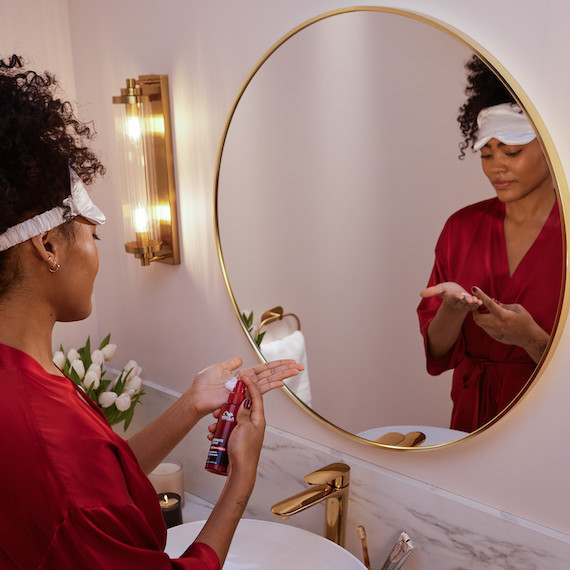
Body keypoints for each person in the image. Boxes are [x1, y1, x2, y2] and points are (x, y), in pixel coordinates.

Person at [0, 55, 303, 569]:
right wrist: (241, 481)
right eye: (94, 234)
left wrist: (191, 403)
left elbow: (100, 494)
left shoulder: (24, 377)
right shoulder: (43, 431)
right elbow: (76, 489)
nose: (100, 254)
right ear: (48, 245)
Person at [417, 55, 562, 433]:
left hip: (551, 421)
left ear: (549, 147)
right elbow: (438, 354)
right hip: (471, 419)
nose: (496, 166)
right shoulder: (461, 228)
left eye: (512, 152)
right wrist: (451, 309)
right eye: (486, 154)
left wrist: (530, 339)